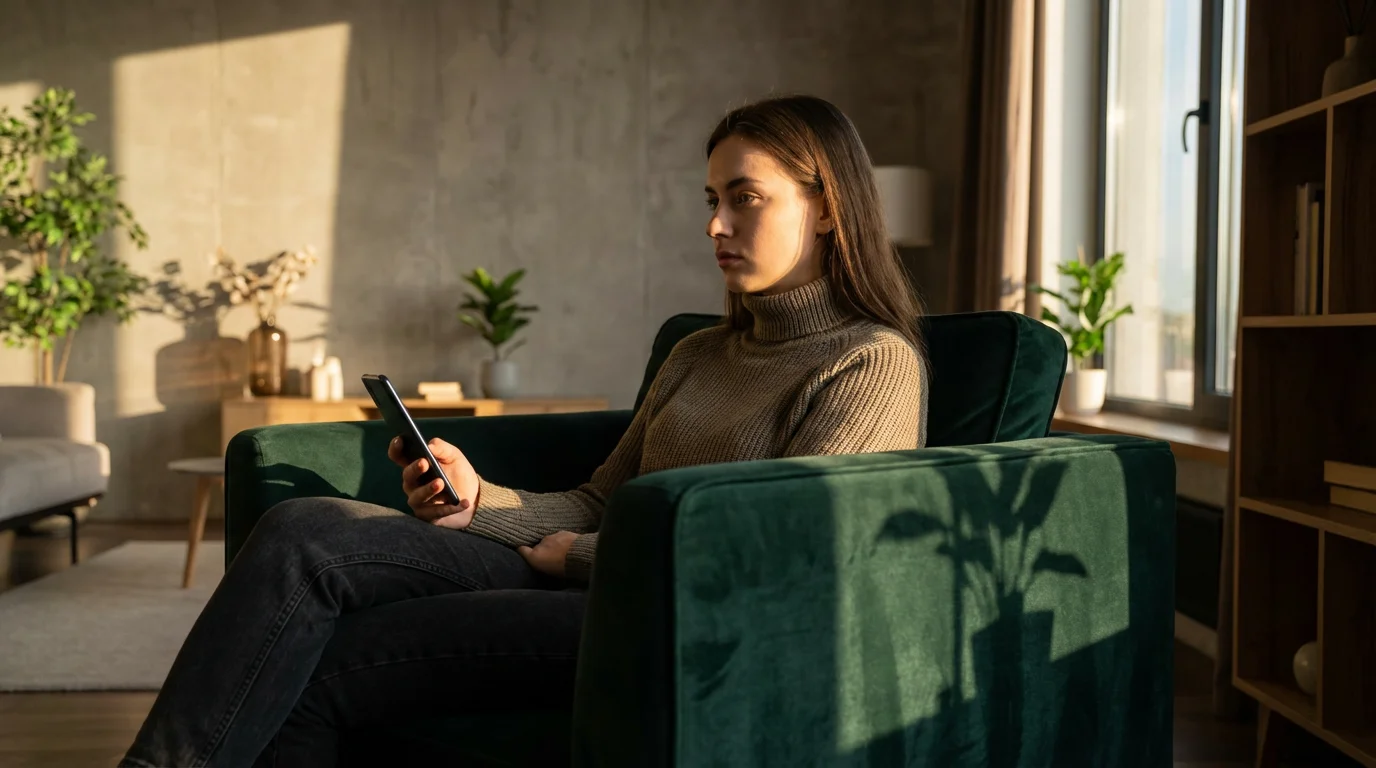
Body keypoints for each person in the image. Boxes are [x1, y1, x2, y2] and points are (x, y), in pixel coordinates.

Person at [120, 94, 930, 768]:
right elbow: (599, 498)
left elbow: (786, 555)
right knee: (303, 531)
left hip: (670, 619)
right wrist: (480, 503)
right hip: (590, 575)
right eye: (711, 200)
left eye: (743, 198)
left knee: (329, 657)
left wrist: (581, 558)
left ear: (827, 206)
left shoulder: (870, 365)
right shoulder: (700, 353)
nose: (715, 224)